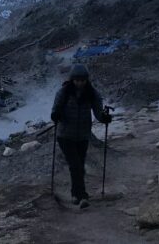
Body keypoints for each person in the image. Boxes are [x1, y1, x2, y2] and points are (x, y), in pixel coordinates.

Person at [50, 63, 112, 208]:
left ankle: (75, 194)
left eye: (82, 80)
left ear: (86, 80)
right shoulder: (63, 92)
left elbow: (98, 113)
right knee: (76, 165)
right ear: (72, 79)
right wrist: (55, 115)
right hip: (65, 135)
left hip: (83, 135)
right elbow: (55, 109)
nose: (79, 83)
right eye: (77, 80)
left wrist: (104, 118)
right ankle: (82, 195)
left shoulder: (92, 94)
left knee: (78, 165)